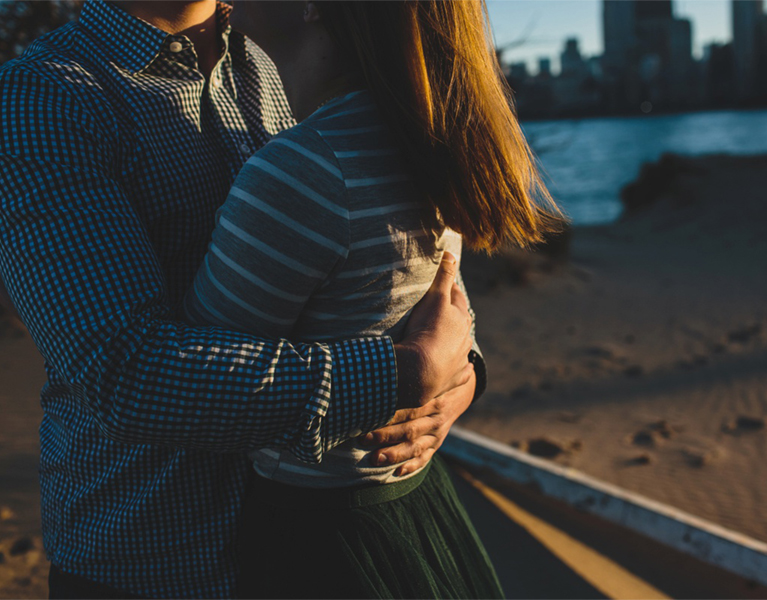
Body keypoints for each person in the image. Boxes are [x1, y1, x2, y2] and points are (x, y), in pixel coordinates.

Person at [0, 1, 482, 598]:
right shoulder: (47, 95)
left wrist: (459, 374)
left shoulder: (285, 41)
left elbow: (395, 238)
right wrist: (402, 375)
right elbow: (122, 372)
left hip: (316, 542)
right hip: (158, 556)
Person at [184, 1, 564, 598]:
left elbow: (198, 388)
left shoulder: (304, 169)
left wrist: (435, 375)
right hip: (414, 506)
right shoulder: (417, 139)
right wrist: (449, 374)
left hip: (320, 538)